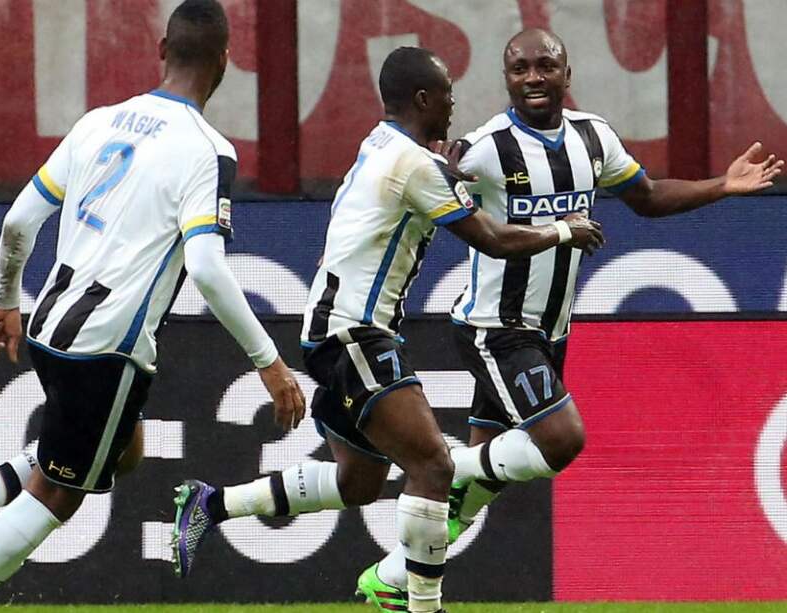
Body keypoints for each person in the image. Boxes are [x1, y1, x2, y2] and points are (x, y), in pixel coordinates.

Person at [356, 28, 784, 609]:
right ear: (507, 80)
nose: (532, 77)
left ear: (566, 74)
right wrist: (438, 174)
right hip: (496, 330)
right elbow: (429, 181)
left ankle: (392, 578)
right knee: (559, 441)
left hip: (551, 332)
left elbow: (648, 196)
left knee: (480, 489)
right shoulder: (485, 148)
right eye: (519, 69)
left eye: (544, 66)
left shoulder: (593, 137)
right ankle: (440, 469)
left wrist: (723, 186)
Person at [169, 46, 605, 613]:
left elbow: (422, 189)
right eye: (447, 95)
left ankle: (210, 504)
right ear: (423, 99)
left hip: (335, 332)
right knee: (435, 466)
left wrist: (448, 173)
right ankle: (423, 604)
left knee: (359, 482)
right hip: (354, 334)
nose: (453, 106)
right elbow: (494, 239)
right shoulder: (414, 165)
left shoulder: (381, 143)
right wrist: (564, 230)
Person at [0, 1, 306, 610]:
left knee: (122, 449)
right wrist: (269, 362)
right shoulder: (208, 151)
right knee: (57, 495)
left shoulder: (98, 122)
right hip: (106, 348)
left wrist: (6, 300)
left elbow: (18, 221)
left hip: (48, 325)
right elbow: (205, 268)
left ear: (162, 50)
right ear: (226, 61)